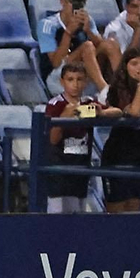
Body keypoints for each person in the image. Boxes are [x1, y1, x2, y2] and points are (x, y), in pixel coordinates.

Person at [97, 48, 140, 212]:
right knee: (117, 213)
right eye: (134, 63)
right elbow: (134, 112)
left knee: (134, 211)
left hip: (139, 158)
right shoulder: (119, 88)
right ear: (125, 66)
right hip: (117, 158)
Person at [42, 60, 99, 212]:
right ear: (62, 82)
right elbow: (53, 139)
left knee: (78, 220)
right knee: (58, 221)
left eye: (79, 79)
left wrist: (97, 112)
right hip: (60, 172)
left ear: (86, 82)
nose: (75, 84)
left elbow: (116, 112)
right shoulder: (55, 105)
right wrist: (64, 117)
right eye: (70, 79)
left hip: (81, 171)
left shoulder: (89, 102)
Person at [37, 0, 107, 89]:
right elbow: (56, 63)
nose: (76, 8)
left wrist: (88, 31)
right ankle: (104, 90)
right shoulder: (47, 25)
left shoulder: (87, 20)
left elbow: (102, 48)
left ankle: (121, 90)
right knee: (87, 47)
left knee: (110, 45)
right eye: (72, 3)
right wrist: (68, 33)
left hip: (82, 72)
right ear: (62, 1)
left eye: (80, 4)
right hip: (57, 77)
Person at [99, 0, 140, 78]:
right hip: (129, 80)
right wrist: (138, 30)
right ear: (127, 7)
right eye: (134, 6)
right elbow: (126, 67)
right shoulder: (115, 29)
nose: (139, 12)